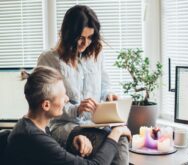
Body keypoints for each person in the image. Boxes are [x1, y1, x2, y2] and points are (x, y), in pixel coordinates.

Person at [37, 5, 129, 164]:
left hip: (97, 123)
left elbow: (104, 86)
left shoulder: (96, 54)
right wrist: (77, 109)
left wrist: (108, 95)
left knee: (122, 140)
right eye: (80, 37)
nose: (85, 43)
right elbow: (45, 106)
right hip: (65, 126)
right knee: (101, 143)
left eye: (90, 37)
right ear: (68, 34)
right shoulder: (48, 59)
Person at [4, 66, 131, 165]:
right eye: (63, 95)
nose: (67, 99)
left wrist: (75, 140)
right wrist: (116, 132)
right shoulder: (33, 137)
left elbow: (50, 153)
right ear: (46, 105)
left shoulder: (30, 125)